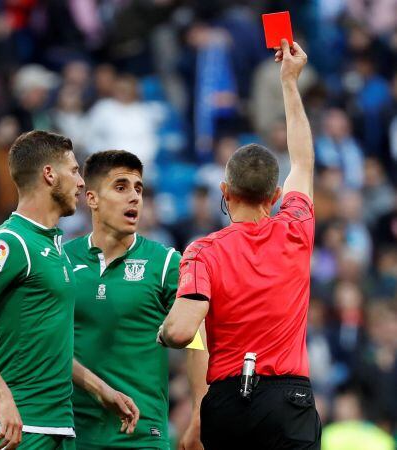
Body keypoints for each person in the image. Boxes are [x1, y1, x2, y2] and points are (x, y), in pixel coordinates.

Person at [159, 40, 320, 449]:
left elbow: (179, 332)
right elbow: (302, 160)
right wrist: (289, 81)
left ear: (225, 191)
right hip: (289, 401)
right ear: (276, 194)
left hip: (229, 404)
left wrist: (162, 331)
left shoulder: (203, 250)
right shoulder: (295, 229)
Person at [0, 131, 137, 450]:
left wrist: (101, 389)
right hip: (14, 429)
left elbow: (49, 346)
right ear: (49, 174)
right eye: (74, 171)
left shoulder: (52, 245)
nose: (80, 182)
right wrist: (1, 394)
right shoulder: (11, 242)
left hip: (57, 426)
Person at [64, 150, 208, 450]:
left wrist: (198, 412)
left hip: (143, 436)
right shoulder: (61, 261)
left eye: (138, 188)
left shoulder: (166, 262)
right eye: (121, 187)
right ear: (92, 199)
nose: (134, 197)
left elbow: (198, 336)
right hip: (72, 434)